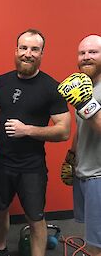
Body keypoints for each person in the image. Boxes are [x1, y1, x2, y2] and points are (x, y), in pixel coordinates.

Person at [0, 29, 71, 256]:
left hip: (32, 166)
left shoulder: (52, 87)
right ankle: (0, 249)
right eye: (23, 48)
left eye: (34, 49)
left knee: (35, 217)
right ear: (16, 50)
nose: (27, 54)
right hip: (2, 163)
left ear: (42, 53)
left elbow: (64, 131)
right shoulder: (1, 82)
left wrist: (27, 130)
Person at [58, 35, 101, 256]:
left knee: (97, 244)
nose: (86, 57)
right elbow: (82, 128)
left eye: (93, 52)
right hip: (85, 170)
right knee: (92, 237)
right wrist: (72, 156)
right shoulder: (86, 86)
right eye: (82, 53)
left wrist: (86, 105)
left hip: (99, 175)